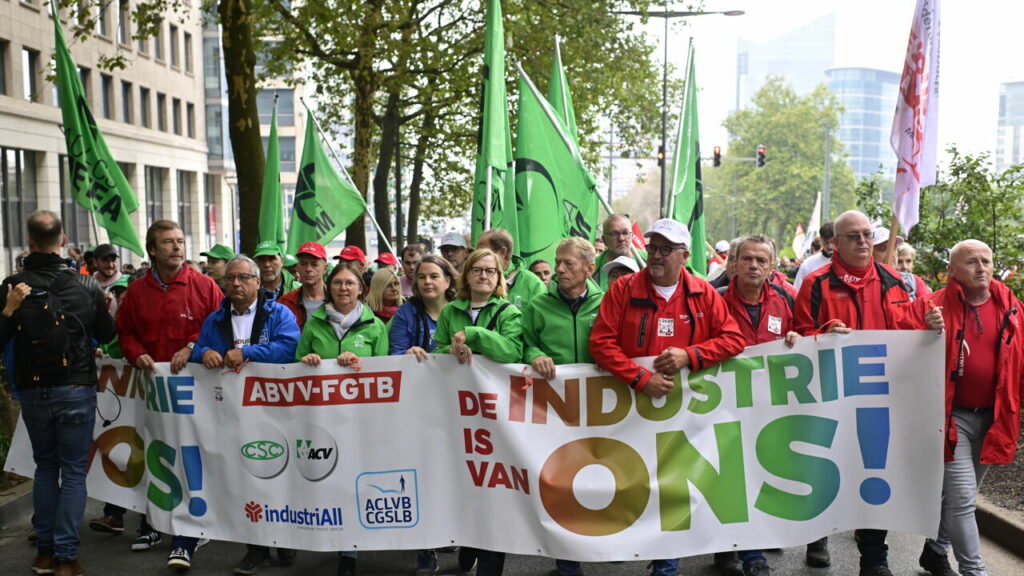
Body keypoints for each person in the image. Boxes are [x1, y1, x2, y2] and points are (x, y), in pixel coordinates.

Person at [589, 218, 745, 576]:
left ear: (685, 255)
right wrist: (640, 377)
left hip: (685, 414)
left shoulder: (704, 293)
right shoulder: (624, 289)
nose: (656, 256)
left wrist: (690, 356)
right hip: (631, 410)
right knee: (633, 484)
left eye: (665, 249)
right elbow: (601, 342)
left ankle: (666, 565)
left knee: (674, 489)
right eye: (653, 248)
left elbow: (732, 339)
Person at [794, 210, 943, 576]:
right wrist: (826, 332)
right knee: (828, 468)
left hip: (881, 398)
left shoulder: (897, 283)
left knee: (875, 471)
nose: (863, 241)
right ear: (836, 245)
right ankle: (819, 536)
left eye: (867, 234)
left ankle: (874, 557)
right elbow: (797, 337)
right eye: (854, 236)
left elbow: (910, 333)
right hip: (831, 396)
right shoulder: (816, 285)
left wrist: (931, 325)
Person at [0, 211, 116, 576]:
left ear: (30, 242)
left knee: (45, 469)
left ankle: (44, 554)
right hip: (76, 388)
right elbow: (108, 332)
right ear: (63, 240)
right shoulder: (86, 285)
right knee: (73, 472)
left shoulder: (12, 284)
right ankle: (66, 557)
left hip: (34, 390)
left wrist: (10, 309)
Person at [111, 219, 223, 568]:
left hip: (195, 389)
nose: (176, 246)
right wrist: (134, 352)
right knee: (155, 450)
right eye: (168, 242)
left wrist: (193, 345)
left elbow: (220, 327)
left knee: (190, 454)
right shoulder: (137, 292)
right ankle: (154, 522)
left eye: (180, 240)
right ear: (152, 250)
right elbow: (125, 331)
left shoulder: (204, 286)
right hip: (153, 388)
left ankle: (188, 533)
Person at [914, 240, 1022, 576]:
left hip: (994, 418)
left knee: (962, 496)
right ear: (952, 271)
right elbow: (900, 345)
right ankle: (975, 571)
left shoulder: (1013, 308)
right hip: (951, 420)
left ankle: (936, 549)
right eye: (972, 262)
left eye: (986, 261)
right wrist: (924, 330)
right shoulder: (931, 307)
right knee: (962, 499)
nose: (982, 268)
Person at [189, 256, 300, 575]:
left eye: (243, 278)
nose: (236, 284)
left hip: (277, 408)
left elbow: (289, 347)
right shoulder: (216, 318)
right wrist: (203, 353)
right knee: (248, 476)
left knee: (280, 472)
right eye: (230, 279)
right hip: (235, 412)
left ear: (256, 281)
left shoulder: (279, 313)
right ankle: (256, 548)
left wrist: (248, 352)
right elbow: (199, 348)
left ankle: (286, 536)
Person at [295, 260, 388, 576]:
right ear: (328, 287)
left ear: (361, 289)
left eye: (350, 283)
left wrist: (359, 365)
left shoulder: (376, 327)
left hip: (360, 420)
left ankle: (350, 551)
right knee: (326, 478)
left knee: (353, 480)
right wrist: (308, 361)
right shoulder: (313, 323)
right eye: (337, 283)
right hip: (321, 417)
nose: (343, 288)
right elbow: (295, 368)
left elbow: (387, 374)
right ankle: (326, 537)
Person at [717, 235, 802, 576]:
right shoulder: (714, 299)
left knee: (760, 478)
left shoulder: (787, 300)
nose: (753, 265)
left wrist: (800, 339)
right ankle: (734, 550)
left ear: (771, 266)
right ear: (734, 263)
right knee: (729, 479)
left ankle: (750, 553)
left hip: (771, 408)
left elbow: (809, 333)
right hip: (724, 406)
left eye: (761, 260)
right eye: (747, 259)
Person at [435, 248, 522, 576]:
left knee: (495, 487)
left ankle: (489, 563)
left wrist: (474, 335)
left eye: (491, 271)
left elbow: (513, 350)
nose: (484, 275)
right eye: (477, 270)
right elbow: (439, 350)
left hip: (496, 416)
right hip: (460, 414)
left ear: (499, 278)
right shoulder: (449, 311)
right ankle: (470, 542)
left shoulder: (508, 312)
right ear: (466, 275)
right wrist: (452, 349)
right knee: (467, 481)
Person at [521, 238, 603, 576]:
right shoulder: (537, 305)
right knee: (562, 485)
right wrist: (534, 355)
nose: (559, 269)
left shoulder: (608, 302)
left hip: (602, 408)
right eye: (558, 262)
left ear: (589, 268)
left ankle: (602, 544)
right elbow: (524, 343)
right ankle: (568, 562)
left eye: (568, 263)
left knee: (600, 480)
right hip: (555, 410)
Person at [386, 255, 457, 573]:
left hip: (456, 407)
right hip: (416, 408)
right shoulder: (406, 313)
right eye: (422, 277)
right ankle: (424, 546)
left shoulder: (461, 311)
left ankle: (452, 529)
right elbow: (393, 354)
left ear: (448, 280)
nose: (427, 281)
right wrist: (406, 355)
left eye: (434, 276)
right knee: (421, 475)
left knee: (452, 473)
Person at [477, 228, 545, 309]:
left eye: (482, 251)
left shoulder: (534, 285)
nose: (476, 256)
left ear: (503, 252)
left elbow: (542, 319)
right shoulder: (475, 279)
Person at [278, 242, 329, 330]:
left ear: (325, 268)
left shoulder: (338, 300)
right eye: (303, 264)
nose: (308, 269)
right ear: (297, 267)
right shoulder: (285, 303)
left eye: (314, 264)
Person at [592, 214, 646, 289]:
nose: (621, 238)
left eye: (625, 233)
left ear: (632, 236)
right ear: (604, 240)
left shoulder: (650, 260)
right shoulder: (591, 268)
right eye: (614, 234)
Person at [793, 222, 834, 290]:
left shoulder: (847, 262)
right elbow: (796, 290)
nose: (830, 246)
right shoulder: (808, 264)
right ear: (820, 239)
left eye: (832, 242)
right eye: (826, 242)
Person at [92, 243, 122, 315]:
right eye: (105, 260)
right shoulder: (89, 285)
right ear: (95, 262)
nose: (110, 265)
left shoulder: (125, 284)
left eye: (113, 260)